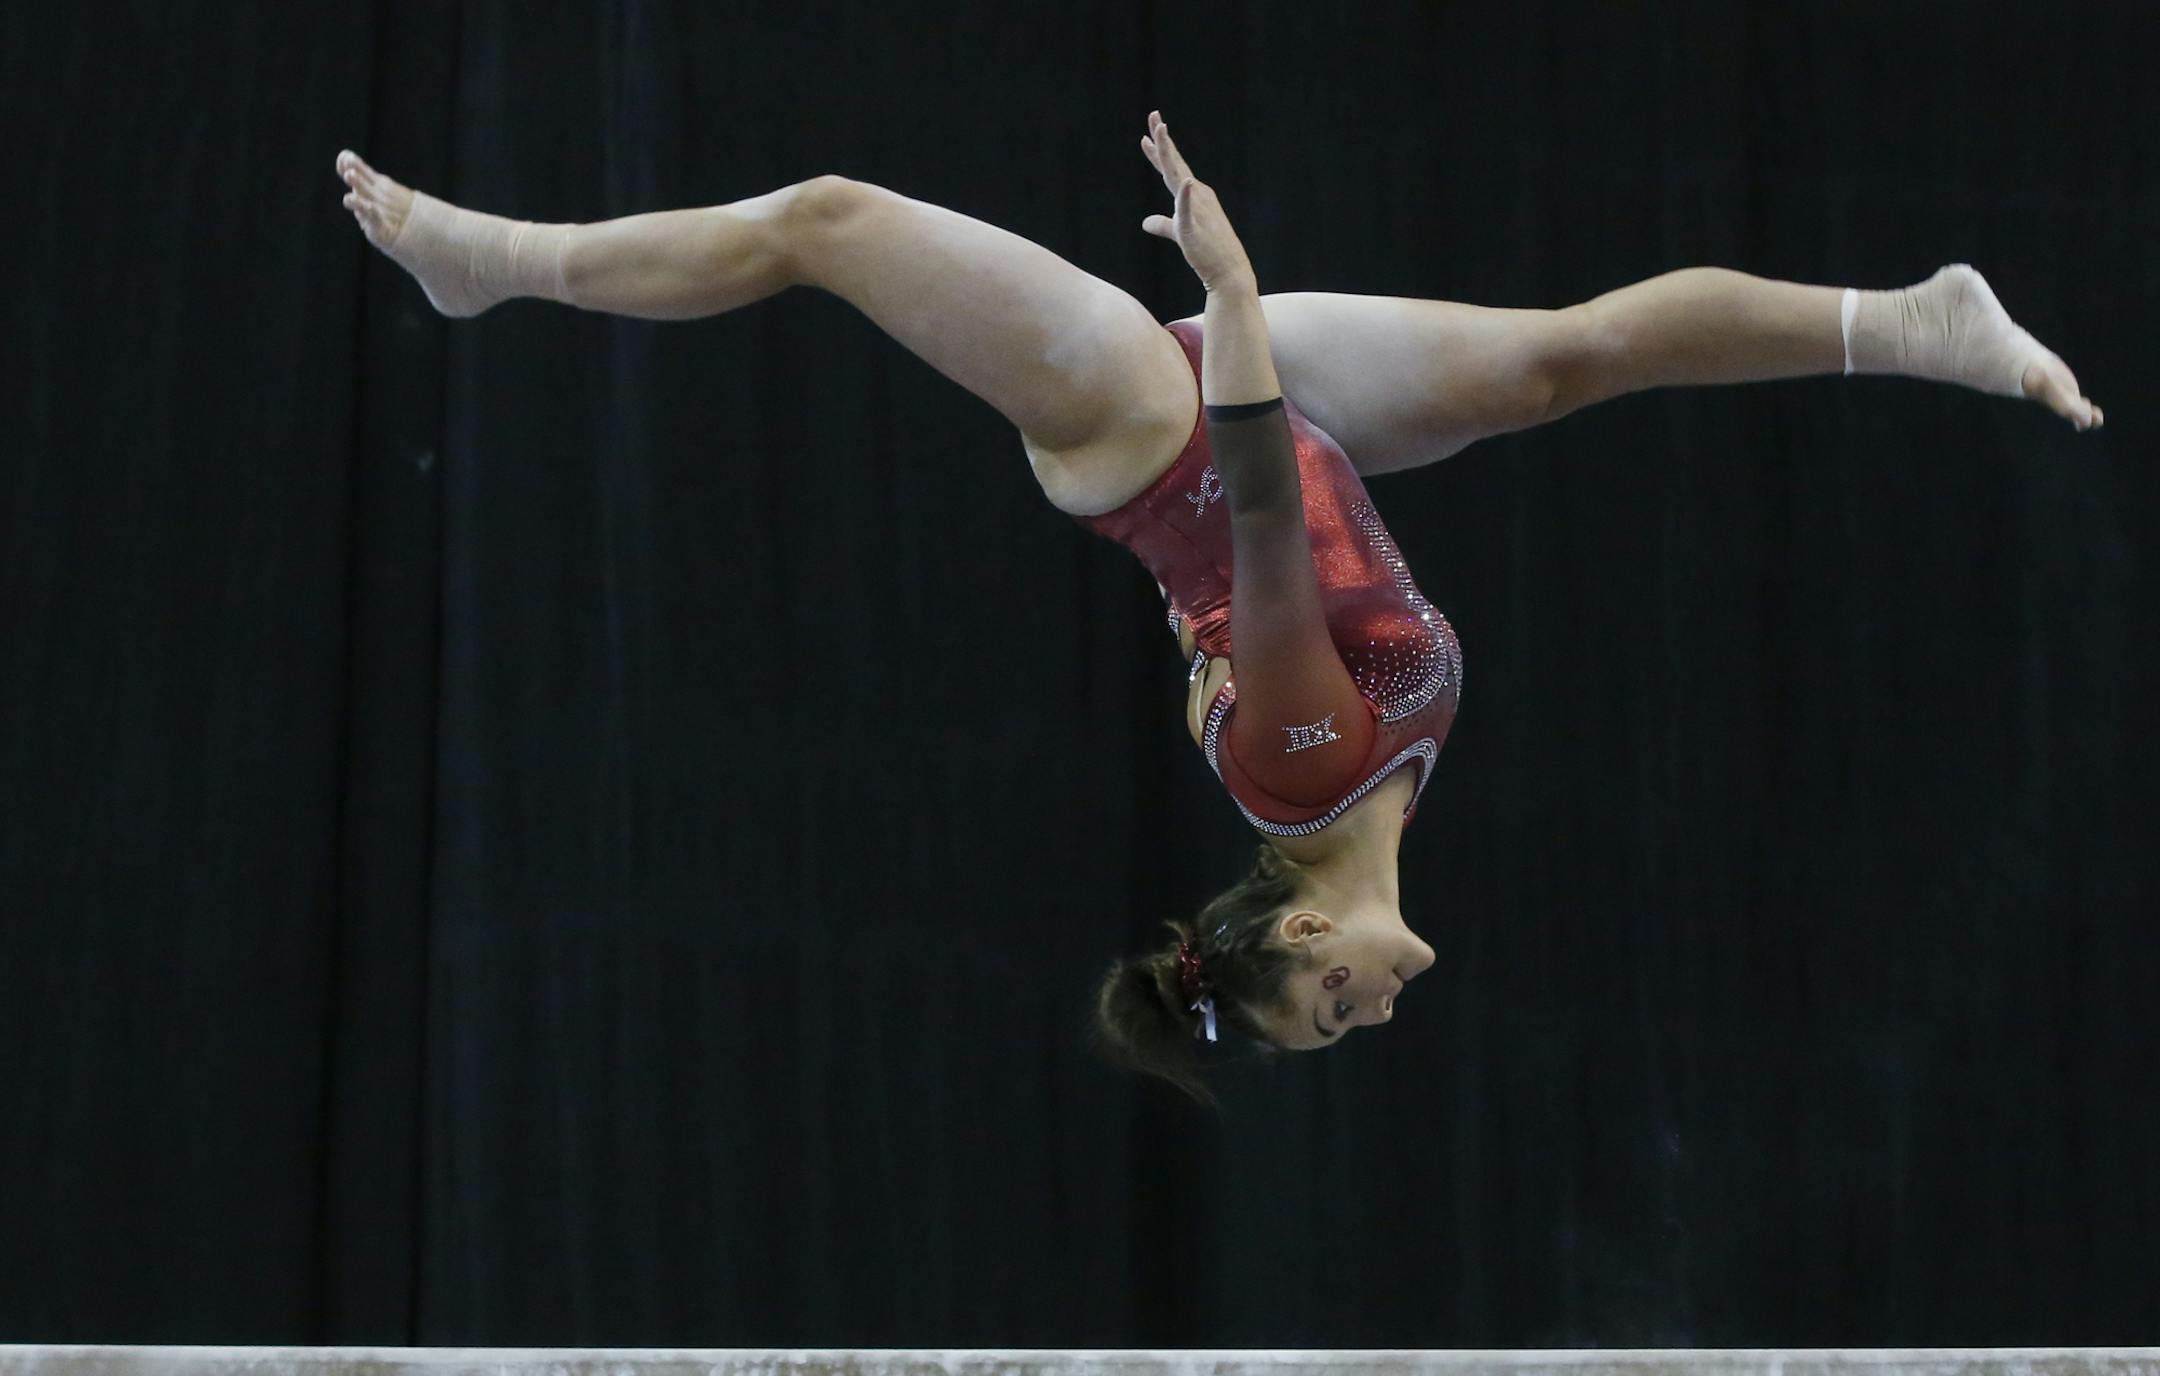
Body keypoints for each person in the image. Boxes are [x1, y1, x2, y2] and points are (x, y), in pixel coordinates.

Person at [336, 113, 2100, 1102]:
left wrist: (1233, 290)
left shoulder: (1304, 764)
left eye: (1330, 1007)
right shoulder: (1377, 798)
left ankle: (490, 264)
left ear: (1301, 934)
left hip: (1161, 427)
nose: (1374, 1014)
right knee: (1560, 365)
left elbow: (1260, 514)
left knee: (826, 218)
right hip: (1275, 415)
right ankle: (1909, 322)